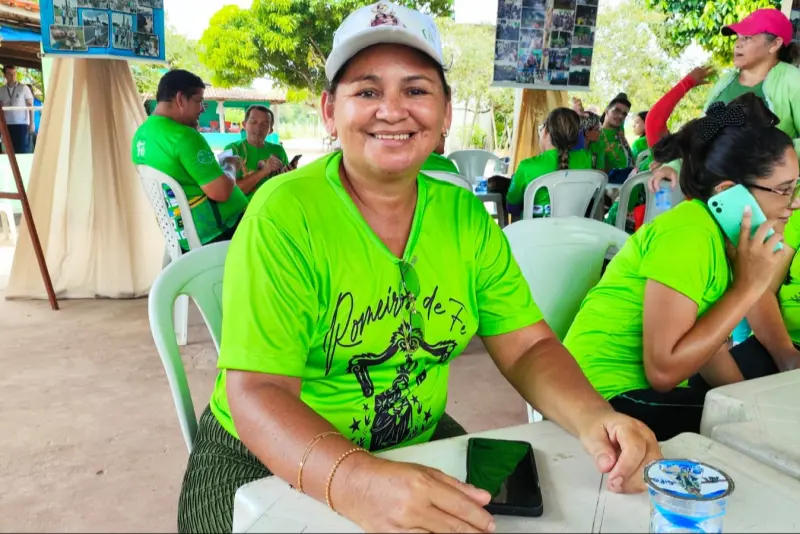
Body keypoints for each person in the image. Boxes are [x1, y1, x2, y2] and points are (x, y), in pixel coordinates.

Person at [176, 3, 660, 532]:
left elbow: (529, 346)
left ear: (445, 112)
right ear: (328, 111)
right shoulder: (285, 213)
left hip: (415, 438)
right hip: (266, 450)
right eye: (366, 91)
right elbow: (259, 392)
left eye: (415, 90)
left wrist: (597, 419)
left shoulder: (463, 216)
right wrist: (359, 482)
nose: (392, 110)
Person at [564, 95, 799, 442]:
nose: (794, 203)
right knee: (770, 430)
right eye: (783, 190)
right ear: (730, 193)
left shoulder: (724, 237)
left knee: (759, 419)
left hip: (637, 393)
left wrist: (745, 402)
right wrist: (748, 287)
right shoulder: (690, 235)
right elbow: (663, 371)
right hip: (601, 398)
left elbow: (708, 347)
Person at [649, 8, 800, 193]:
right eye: (738, 38)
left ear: (774, 44)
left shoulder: (792, 80)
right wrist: (674, 166)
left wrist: (771, 156)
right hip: (715, 193)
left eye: (747, 38)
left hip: (767, 196)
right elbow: (703, 135)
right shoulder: (725, 82)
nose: (738, 44)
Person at [131, 69, 249, 251]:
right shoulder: (184, 137)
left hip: (180, 232)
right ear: (180, 99)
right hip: (217, 231)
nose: (202, 109)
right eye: (198, 101)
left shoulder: (142, 134)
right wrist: (229, 165)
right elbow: (221, 192)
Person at [506, 107, 593, 217]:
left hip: (535, 232)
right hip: (573, 230)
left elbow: (511, 207)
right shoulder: (586, 159)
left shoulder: (527, 166)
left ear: (546, 132)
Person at [223, 105, 292, 199]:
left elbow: (285, 184)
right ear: (244, 124)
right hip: (242, 211)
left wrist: (288, 175)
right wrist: (265, 170)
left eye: (264, 124)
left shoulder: (278, 150)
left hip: (271, 207)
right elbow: (228, 190)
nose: (258, 127)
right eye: (253, 122)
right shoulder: (229, 150)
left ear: (270, 130)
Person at [590, 93, 633, 182]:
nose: (620, 116)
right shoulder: (595, 135)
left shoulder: (621, 136)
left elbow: (631, 160)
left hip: (629, 185)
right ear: (606, 111)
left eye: (624, 114)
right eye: (616, 111)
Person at [0, 66, 34, 154]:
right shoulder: (1, 90)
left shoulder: (24, 88)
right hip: (6, 125)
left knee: (21, 151)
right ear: (5, 75)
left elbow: (30, 105)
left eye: (14, 74)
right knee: (7, 151)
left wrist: (32, 123)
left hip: (21, 124)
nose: (13, 76)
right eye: (9, 74)